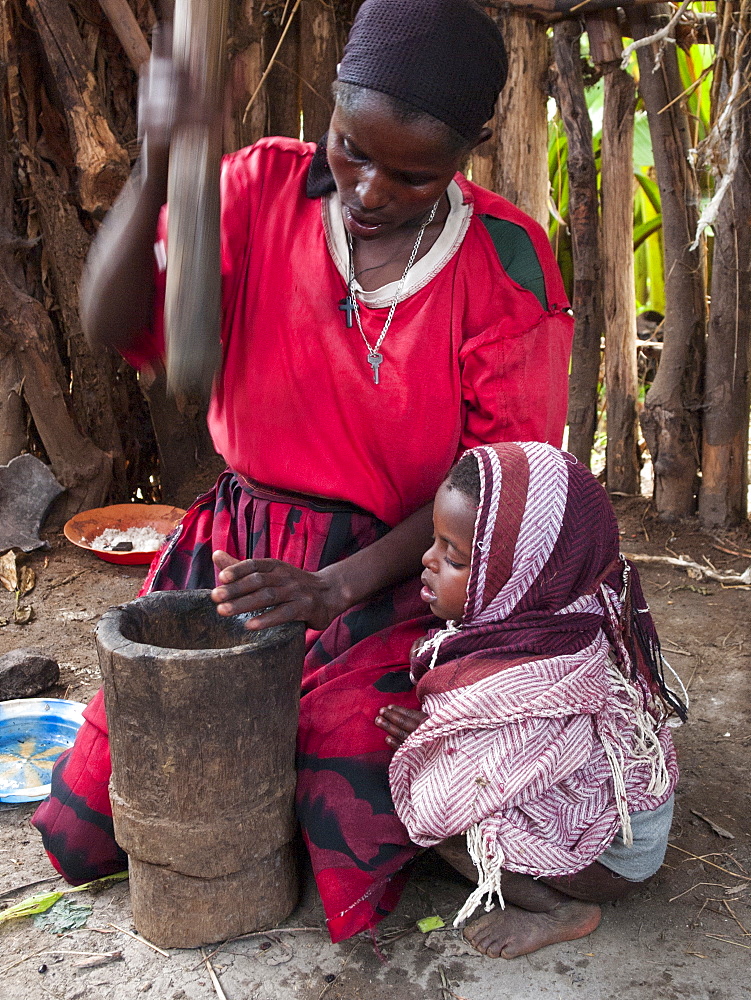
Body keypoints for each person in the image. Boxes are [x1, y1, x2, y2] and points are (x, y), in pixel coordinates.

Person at [32, 0, 574, 943]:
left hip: (404, 573)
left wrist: (340, 585)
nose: (367, 190)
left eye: (412, 176)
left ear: (469, 153)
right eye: (350, 150)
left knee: (342, 782)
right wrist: (161, 163)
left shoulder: (504, 265)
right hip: (240, 558)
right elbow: (115, 324)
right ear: (330, 109)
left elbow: (495, 488)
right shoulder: (253, 190)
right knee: (93, 823)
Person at [377, 441, 685, 959]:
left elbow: (483, 782)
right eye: (434, 542)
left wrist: (435, 750)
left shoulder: (537, 674)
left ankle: (559, 909)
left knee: (430, 811)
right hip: (624, 830)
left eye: (453, 557)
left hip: (612, 861)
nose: (428, 561)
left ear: (521, 573)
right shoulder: (572, 605)